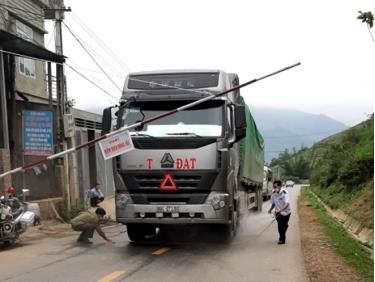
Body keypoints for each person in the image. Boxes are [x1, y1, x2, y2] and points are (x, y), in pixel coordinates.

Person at [268, 180, 291, 244]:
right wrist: (270, 209)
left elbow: (287, 204)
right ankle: (282, 239)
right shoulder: (273, 193)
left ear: (280, 186)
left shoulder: (285, 192)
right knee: (280, 226)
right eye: (274, 187)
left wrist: (281, 210)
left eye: (276, 186)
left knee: (284, 226)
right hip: (278, 213)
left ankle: (283, 234)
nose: (275, 188)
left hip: (286, 213)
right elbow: (273, 203)